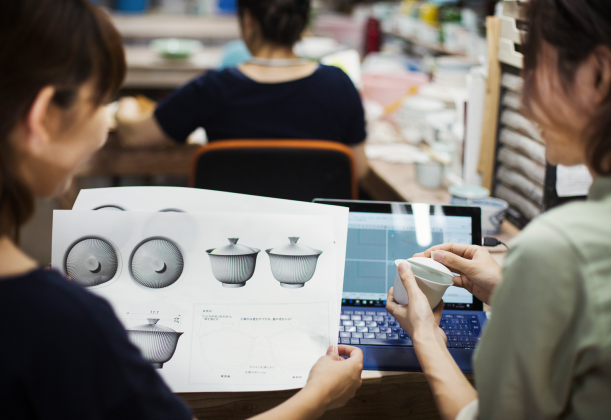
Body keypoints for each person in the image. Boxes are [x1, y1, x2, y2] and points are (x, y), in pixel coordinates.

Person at [0, 1, 363, 419]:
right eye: (104, 100)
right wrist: (319, 396)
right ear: (43, 117)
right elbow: (361, 165)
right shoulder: (64, 321)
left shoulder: (54, 315)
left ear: (247, 20)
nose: (106, 120)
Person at [386, 0, 611, 419]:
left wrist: (426, 336)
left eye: (535, 68)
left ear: (598, 73)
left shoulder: (560, 249)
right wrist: (512, 293)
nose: (524, 103)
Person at [116, 0, 368, 180]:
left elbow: (135, 136)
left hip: (231, 237)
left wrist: (125, 106)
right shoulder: (339, 85)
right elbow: (357, 170)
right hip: (316, 237)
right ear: (302, 23)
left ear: (248, 20)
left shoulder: (212, 88)